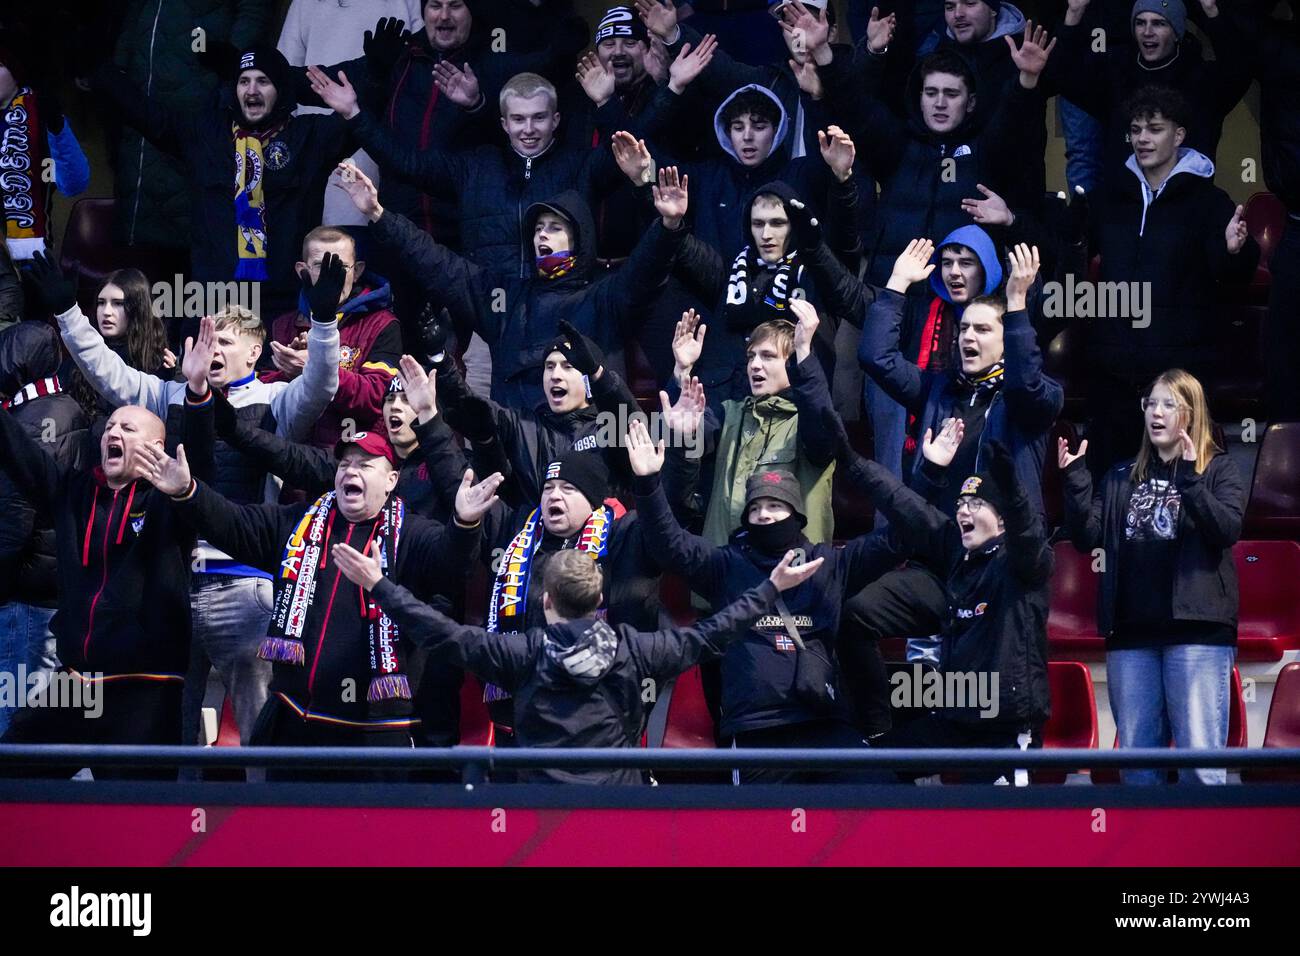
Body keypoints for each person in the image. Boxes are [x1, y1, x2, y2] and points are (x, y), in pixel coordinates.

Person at [26, 250, 341, 747]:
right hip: (172, 589)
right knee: (173, 728)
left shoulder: (277, 402)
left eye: (226, 342)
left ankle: (263, 817)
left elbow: (323, 382)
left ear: (253, 353)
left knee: (259, 725)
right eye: (205, 338)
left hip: (245, 590)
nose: (211, 349)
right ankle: (176, 820)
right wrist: (68, 313)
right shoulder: (167, 397)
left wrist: (323, 322)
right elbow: (106, 369)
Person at [149, 415, 504, 769]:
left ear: (392, 480)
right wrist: (188, 492)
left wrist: (464, 524)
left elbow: (450, 569)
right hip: (293, 724)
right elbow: (233, 524)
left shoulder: (414, 534)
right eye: (345, 464)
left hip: (374, 733)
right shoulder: (298, 523)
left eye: (365, 465)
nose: (351, 471)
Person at [332, 542, 820, 784]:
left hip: (538, 811)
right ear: (600, 599)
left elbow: (441, 633)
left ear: (545, 601)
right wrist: (771, 587)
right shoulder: (637, 648)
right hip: (620, 809)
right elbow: (715, 634)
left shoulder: (519, 653)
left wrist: (379, 585)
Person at [628, 419, 902, 783]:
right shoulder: (726, 565)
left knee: (878, 801)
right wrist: (648, 483)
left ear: (797, 516)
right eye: (756, 508)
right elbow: (668, 544)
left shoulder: (829, 563)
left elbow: (899, 538)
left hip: (825, 724)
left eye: (775, 506)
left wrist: (930, 472)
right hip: (757, 733)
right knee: (762, 836)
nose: (764, 515)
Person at [0, 333, 215, 776]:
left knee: (137, 818)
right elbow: (21, 455)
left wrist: (196, 394)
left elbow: (201, 468)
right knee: (15, 768)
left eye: (128, 428)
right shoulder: (74, 491)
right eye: (111, 426)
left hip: (144, 688)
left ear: (157, 448)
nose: (113, 432)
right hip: (77, 682)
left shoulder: (171, 503)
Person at [336, 157, 686, 410]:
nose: (542, 236)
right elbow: (437, 263)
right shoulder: (505, 298)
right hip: (517, 449)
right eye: (537, 229)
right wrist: (379, 215)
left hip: (586, 457)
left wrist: (669, 227)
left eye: (554, 228)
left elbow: (647, 270)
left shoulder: (604, 297)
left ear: (579, 238)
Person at [1060, 368, 1245, 785]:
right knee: (1139, 768)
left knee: (1201, 765)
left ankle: (1201, 847)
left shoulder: (1219, 471)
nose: (1156, 413)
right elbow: (1087, 539)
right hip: (1131, 634)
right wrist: (1074, 480)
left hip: (1196, 632)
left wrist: (1191, 480)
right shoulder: (1122, 475)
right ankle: (1147, 851)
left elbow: (1226, 530)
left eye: (1169, 405)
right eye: (1151, 404)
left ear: (1191, 415)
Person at [838, 431, 1053, 785]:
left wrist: (1014, 495)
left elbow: (1028, 537)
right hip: (958, 718)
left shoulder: (1020, 566)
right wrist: (853, 463)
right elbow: (907, 505)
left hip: (1004, 730)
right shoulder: (960, 557)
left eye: (976, 503)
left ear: (1002, 520)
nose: (963, 510)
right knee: (869, 767)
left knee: (998, 835)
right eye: (960, 504)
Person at [92, 43, 360, 317]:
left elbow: (359, 120)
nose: (252, 90)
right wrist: (96, 67)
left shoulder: (311, 136)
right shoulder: (205, 134)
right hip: (214, 300)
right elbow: (147, 114)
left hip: (283, 302)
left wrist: (378, 71)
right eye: (244, 81)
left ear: (281, 90)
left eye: (263, 81)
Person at [1082, 87, 1259, 475]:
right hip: (1113, 368)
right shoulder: (1109, 197)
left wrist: (1234, 251)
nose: (1142, 138)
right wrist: (1012, 220)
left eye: (1154, 129)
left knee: (1176, 489)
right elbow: (1065, 244)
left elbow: (1233, 275)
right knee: (1108, 489)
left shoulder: (1210, 201)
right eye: (1135, 129)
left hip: (1179, 371)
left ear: (1178, 135)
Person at [669, 300, 840, 546]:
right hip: (724, 571)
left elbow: (821, 431)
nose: (754, 365)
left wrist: (803, 353)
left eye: (767, 356)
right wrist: (683, 373)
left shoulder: (808, 421)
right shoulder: (729, 413)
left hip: (790, 575)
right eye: (751, 357)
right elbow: (685, 434)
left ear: (792, 366)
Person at [103, 0, 270, 254]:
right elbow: (136, 12)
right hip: (143, 83)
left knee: (186, 219)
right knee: (136, 208)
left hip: (199, 86)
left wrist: (230, 66)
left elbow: (253, 10)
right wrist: (120, 64)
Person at [429, 318, 643, 503]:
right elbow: (469, 407)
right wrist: (440, 359)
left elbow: (636, 426)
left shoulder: (610, 428)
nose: (555, 375)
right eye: (549, 367)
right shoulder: (522, 424)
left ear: (587, 378)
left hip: (601, 545)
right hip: (536, 545)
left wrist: (598, 374)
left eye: (568, 367)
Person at [1047, 0, 1252, 187]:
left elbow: (1239, 70)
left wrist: (1212, 12)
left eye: (1159, 23)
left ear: (1176, 31)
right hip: (1124, 211)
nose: (1147, 31)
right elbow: (1063, 78)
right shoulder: (1117, 77)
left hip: (1186, 211)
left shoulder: (1200, 80)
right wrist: (1073, 15)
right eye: (1140, 23)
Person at [0, 320, 91, 735]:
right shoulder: (63, 406)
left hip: (26, 592)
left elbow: (13, 520)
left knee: (17, 713)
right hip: (48, 587)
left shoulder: (32, 418)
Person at [276, 0, 424, 229]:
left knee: (369, 232)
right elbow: (282, 73)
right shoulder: (305, 4)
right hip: (315, 141)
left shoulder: (405, 2)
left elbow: (419, 68)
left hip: (379, 140)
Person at [261, 226, 402, 448]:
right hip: (289, 458)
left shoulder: (382, 324)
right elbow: (256, 395)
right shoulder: (283, 325)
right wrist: (289, 374)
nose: (331, 276)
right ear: (302, 271)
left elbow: (377, 398)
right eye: (320, 266)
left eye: (340, 267)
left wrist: (316, 370)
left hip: (349, 458)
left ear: (357, 271)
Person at [0, 39, 90, 263]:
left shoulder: (42, 116)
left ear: (16, 72)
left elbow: (74, 185)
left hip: (28, 260)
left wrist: (57, 128)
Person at [66, 270, 175, 431]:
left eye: (118, 303)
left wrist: (175, 373)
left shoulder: (160, 365)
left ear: (138, 309)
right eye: (101, 302)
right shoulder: (79, 357)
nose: (106, 312)